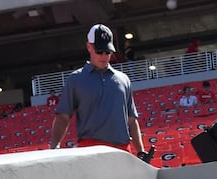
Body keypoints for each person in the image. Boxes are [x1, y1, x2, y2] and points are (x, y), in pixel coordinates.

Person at [51, 25, 151, 162]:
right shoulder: (75, 79)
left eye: (108, 51)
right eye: (99, 51)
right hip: (90, 150)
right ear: (89, 47)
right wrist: (54, 147)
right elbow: (63, 116)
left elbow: (131, 119)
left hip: (122, 150)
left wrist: (140, 151)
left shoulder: (123, 79)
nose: (104, 56)